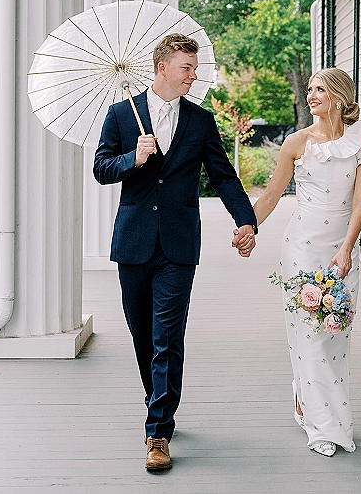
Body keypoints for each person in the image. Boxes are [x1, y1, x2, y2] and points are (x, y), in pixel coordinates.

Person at [93, 33, 256, 472]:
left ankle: (158, 431)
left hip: (180, 246)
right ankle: (157, 397)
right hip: (133, 242)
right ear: (162, 67)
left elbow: (223, 177)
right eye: (187, 67)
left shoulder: (200, 121)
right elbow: (101, 169)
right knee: (142, 335)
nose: (193, 75)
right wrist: (134, 158)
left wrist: (246, 220)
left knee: (168, 338)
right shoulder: (120, 116)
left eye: (194, 66)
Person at [242, 67, 361, 456]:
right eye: (310, 89)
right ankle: (324, 429)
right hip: (301, 248)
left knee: (334, 337)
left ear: (338, 97)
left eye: (320, 89)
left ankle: (307, 403)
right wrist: (247, 227)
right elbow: (270, 196)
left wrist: (347, 249)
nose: (311, 95)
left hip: (340, 251)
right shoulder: (296, 143)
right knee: (308, 338)